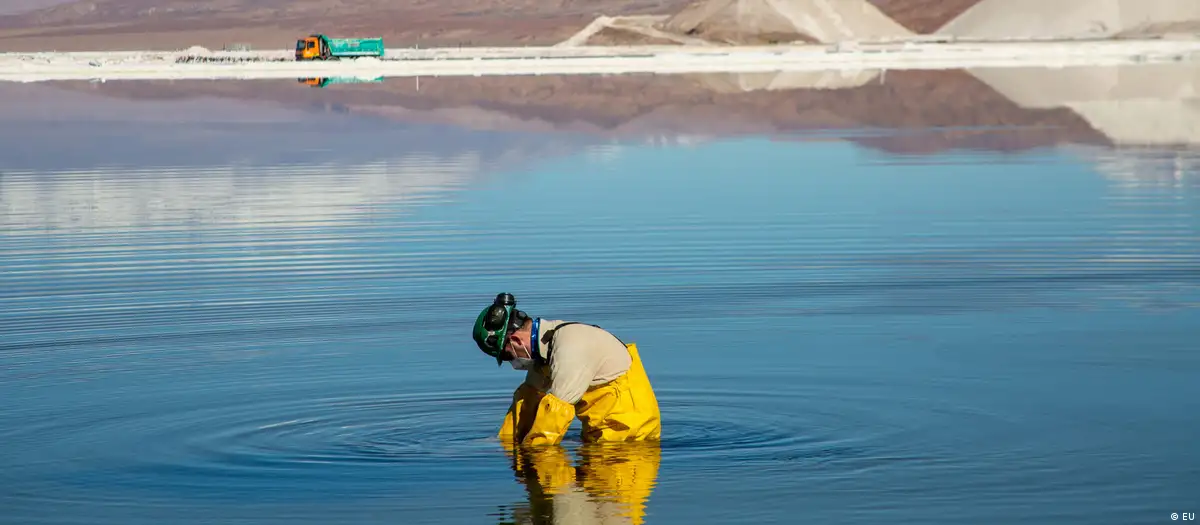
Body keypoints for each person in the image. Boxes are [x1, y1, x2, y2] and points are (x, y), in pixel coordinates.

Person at [472, 292, 662, 447]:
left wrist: (530, 452)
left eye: (507, 356)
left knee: (553, 489)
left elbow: (553, 417)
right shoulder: (546, 347)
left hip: (631, 446)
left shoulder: (570, 346)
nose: (512, 362)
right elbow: (527, 400)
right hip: (601, 440)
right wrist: (503, 442)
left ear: (515, 341)